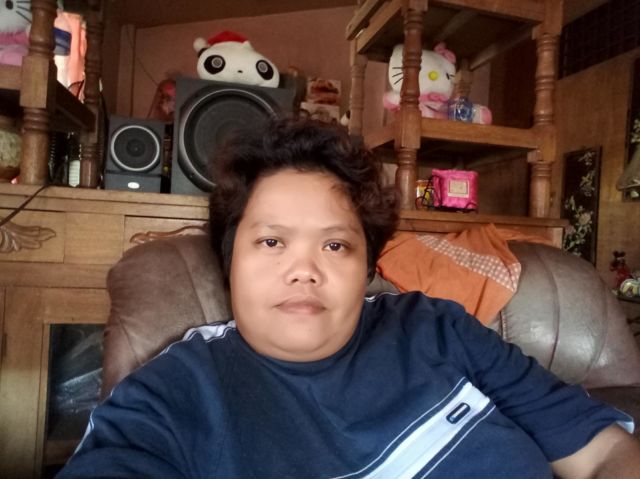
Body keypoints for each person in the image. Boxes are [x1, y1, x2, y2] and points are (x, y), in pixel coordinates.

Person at [58, 119, 640, 478]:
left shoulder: (438, 329)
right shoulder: (172, 394)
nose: (304, 271)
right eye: (271, 242)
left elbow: (601, 454)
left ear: (368, 267)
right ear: (230, 262)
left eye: (335, 245)